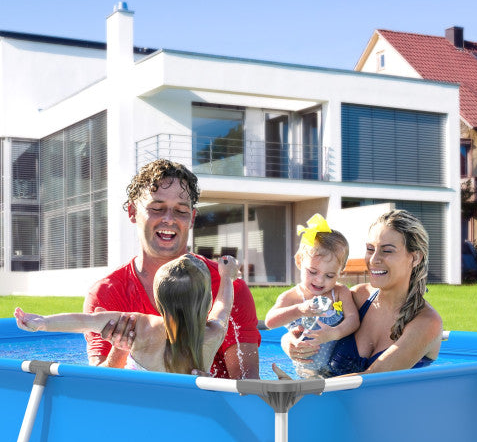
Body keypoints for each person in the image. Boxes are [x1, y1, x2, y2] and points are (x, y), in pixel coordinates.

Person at [83, 159, 261, 379]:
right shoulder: (107, 294)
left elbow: (247, 386)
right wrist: (120, 350)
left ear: (192, 218)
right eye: (156, 208)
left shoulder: (229, 288)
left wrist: (209, 391)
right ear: (132, 212)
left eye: (181, 211)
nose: (169, 219)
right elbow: (97, 389)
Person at [279, 209, 442, 377]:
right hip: (325, 399)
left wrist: (301, 389)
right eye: (370, 249)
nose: (373, 260)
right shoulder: (356, 298)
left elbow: (373, 378)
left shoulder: (427, 322)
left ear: (415, 258)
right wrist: (290, 343)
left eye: (387, 251)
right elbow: (308, 330)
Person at [15, 254, 239, 374]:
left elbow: (87, 321)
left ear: (158, 299)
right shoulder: (213, 333)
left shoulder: (142, 325)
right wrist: (227, 276)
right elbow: (223, 306)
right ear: (206, 299)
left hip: (139, 405)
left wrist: (42, 322)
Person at [265, 214, 359, 378]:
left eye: (330, 275)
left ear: (340, 271)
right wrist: (300, 310)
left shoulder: (339, 292)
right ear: (300, 261)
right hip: (306, 367)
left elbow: (353, 320)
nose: (319, 280)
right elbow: (270, 322)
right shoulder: (293, 297)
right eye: (312, 272)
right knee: (311, 383)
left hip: (338, 368)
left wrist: (334, 333)